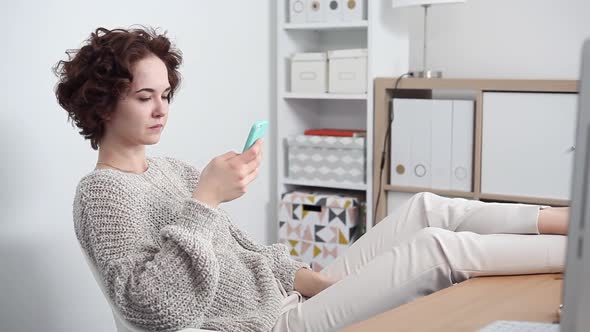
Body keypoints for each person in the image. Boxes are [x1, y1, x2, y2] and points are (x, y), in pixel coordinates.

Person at [55, 27, 569, 332]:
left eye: (166, 94)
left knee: (425, 209)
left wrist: (315, 282)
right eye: (145, 97)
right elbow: (150, 308)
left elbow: (248, 254)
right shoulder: (101, 193)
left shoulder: (170, 170)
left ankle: (567, 221)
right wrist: (206, 202)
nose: (162, 108)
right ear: (101, 101)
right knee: (436, 248)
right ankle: (579, 254)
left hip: (293, 298)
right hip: (272, 326)